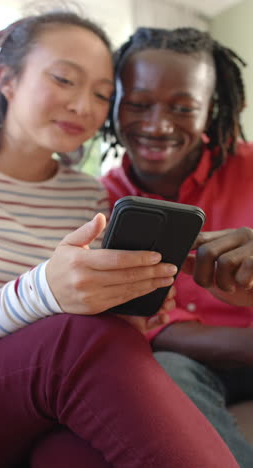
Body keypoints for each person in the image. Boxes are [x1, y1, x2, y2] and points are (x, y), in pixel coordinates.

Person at [0, 12, 241, 468]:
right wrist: (43, 292)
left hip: (39, 404)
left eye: (103, 94)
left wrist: (134, 302)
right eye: (64, 79)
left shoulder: (90, 195)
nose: (84, 106)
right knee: (79, 333)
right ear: (6, 77)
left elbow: (115, 337)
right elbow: (71, 331)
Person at [101, 26, 253, 467]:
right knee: (165, 370)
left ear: (211, 111)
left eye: (184, 107)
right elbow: (129, 325)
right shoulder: (97, 201)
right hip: (189, 364)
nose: (157, 125)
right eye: (138, 103)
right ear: (113, 101)